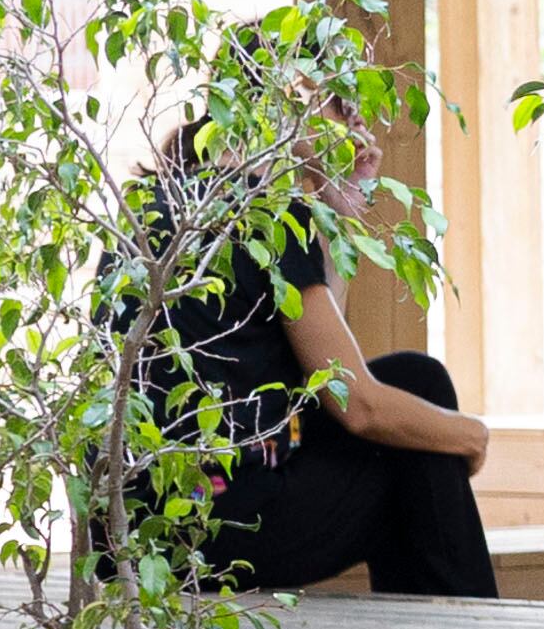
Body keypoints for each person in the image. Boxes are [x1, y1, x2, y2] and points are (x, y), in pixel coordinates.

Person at [149, 120, 501, 603]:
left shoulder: (166, 198)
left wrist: (342, 216)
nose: (357, 125)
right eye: (342, 105)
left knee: (415, 382)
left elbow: (320, 370)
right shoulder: (266, 214)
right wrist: (470, 435)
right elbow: (359, 406)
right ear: (293, 96)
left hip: (141, 531)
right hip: (216, 532)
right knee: (420, 441)